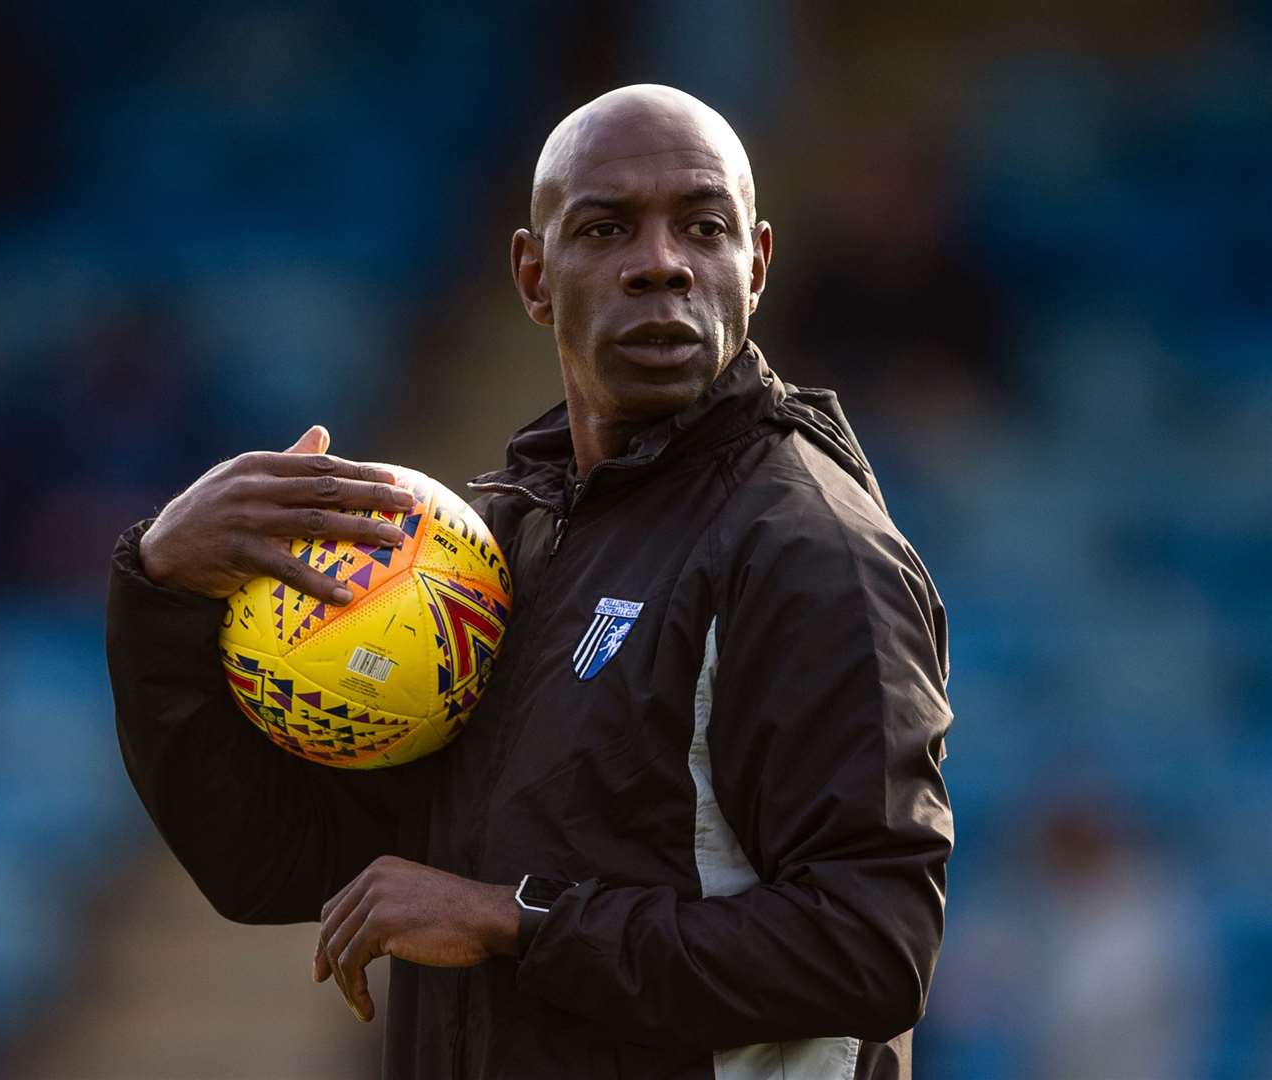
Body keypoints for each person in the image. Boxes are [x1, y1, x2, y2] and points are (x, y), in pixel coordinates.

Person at [106, 84, 953, 1079]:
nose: (660, 264)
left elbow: (870, 948)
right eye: (604, 228)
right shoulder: (496, 551)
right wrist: (159, 588)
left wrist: (518, 921)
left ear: (756, 263)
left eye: (702, 226)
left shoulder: (810, 551)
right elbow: (275, 861)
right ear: (532, 276)